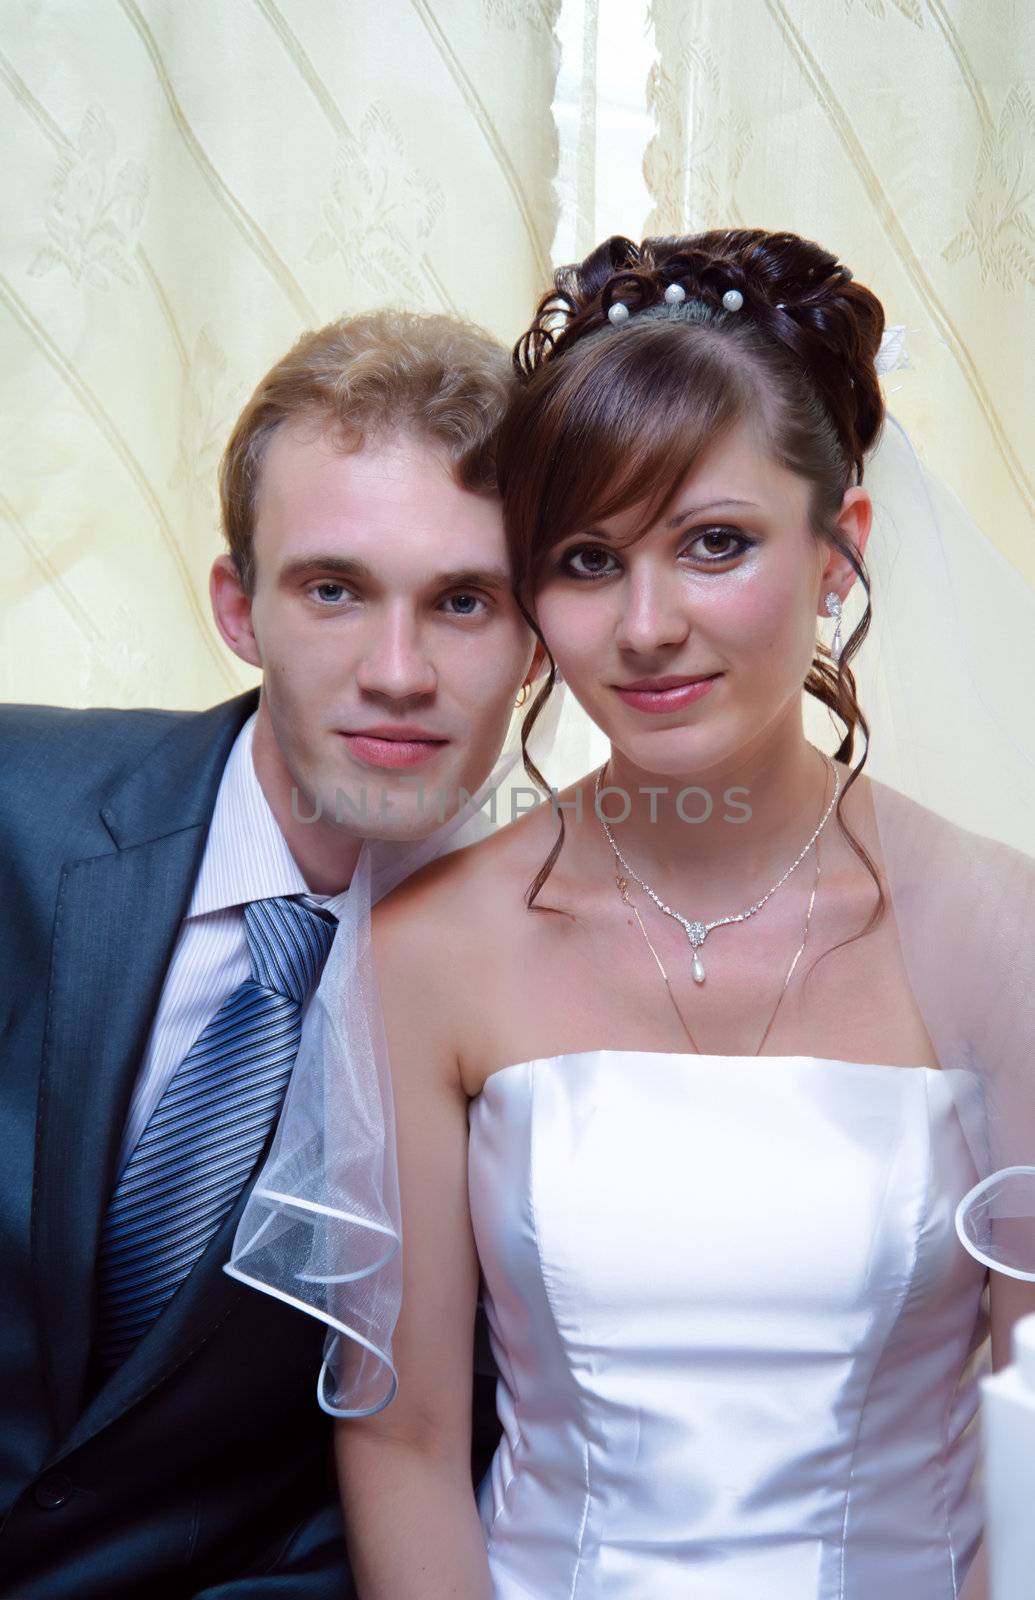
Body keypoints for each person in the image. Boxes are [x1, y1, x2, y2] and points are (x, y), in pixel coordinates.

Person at [328, 233, 1035, 1598]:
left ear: (841, 552)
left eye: (716, 545)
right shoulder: (431, 952)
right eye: (588, 561)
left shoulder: (1002, 933)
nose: (647, 627)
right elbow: (406, 1439)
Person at [0, 308, 538, 1597]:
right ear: (240, 608)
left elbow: (449, 1470)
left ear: (537, 638)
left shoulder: (566, 990)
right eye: (335, 589)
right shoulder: (17, 805)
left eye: (464, 600)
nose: (396, 671)